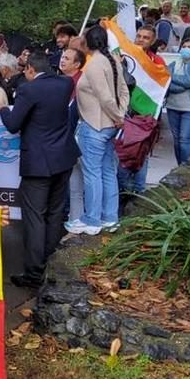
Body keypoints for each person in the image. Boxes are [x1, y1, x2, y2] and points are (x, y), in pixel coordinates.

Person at [0, 52, 79, 288]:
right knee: (54, 214)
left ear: (31, 69)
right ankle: (50, 264)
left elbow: (13, 125)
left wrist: (3, 110)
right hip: (63, 157)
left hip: (38, 162)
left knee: (34, 217)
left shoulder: (29, 90)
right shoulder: (65, 83)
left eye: (26, 71)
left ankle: (34, 273)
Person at [65, 24, 129, 235]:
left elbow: (105, 97)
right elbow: (123, 92)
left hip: (95, 125)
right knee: (107, 170)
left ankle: (92, 219)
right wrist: (120, 114)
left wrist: (118, 116)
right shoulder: (113, 60)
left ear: (88, 42)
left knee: (92, 173)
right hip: (109, 125)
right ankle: (110, 216)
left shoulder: (94, 65)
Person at [118, 25, 165, 195]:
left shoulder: (157, 63)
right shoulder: (125, 57)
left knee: (140, 154)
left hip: (144, 117)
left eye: (146, 37)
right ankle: (123, 189)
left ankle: (139, 192)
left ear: (152, 41)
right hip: (125, 112)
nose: (141, 39)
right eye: (138, 36)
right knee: (123, 152)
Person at [59, 47, 86, 222]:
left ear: (77, 64)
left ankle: (81, 218)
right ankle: (75, 218)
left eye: (67, 58)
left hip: (78, 137)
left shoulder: (81, 83)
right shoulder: (62, 81)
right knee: (72, 183)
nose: (62, 60)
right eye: (62, 56)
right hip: (65, 138)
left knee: (80, 183)